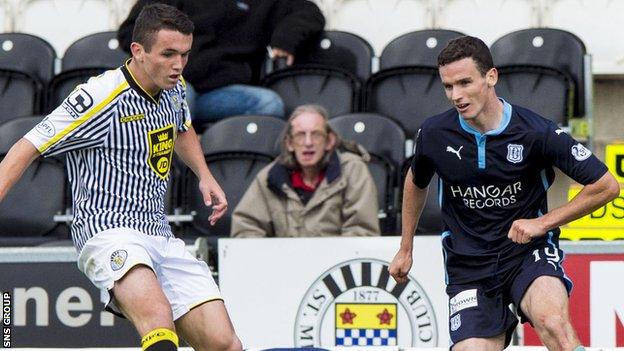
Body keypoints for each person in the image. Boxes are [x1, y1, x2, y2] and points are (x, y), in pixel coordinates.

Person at [0, 4, 242, 351]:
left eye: (185, 55)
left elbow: (182, 127)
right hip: (108, 230)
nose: (178, 65)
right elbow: (26, 147)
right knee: (158, 319)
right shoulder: (99, 97)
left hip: (158, 232)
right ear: (138, 51)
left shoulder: (173, 84)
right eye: (169, 54)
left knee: (224, 343)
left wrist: (204, 174)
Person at [388, 36, 619, 351]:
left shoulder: (535, 131)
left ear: (491, 77)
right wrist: (405, 248)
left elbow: (606, 186)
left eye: (465, 82)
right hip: (468, 265)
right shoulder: (433, 134)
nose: (456, 95)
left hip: (527, 254)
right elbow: (416, 181)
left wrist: (544, 223)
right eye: (448, 86)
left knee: (553, 324)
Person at [118, 0, 325, 128]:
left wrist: (285, 38)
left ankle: (223, 158)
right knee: (180, 96)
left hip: (223, 92)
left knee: (269, 103)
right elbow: (130, 31)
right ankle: (170, 177)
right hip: (179, 83)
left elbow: (310, 12)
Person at [231, 104, 380, 237]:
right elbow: (245, 230)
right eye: (300, 135)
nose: (308, 142)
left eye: (316, 134)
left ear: (329, 141)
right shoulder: (270, 177)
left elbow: (362, 233)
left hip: (336, 267)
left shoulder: (353, 170)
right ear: (289, 143)